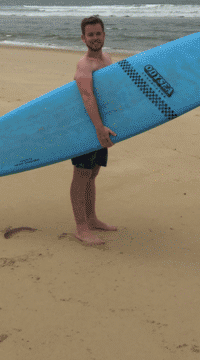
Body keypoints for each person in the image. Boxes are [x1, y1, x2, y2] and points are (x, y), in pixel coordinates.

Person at [71, 15, 118, 245]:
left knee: (93, 174)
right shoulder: (84, 65)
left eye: (98, 33)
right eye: (90, 35)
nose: (95, 38)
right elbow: (87, 96)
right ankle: (81, 228)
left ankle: (92, 219)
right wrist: (99, 129)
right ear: (83, 38)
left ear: (104, 35)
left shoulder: (108, 59)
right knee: (81, 175)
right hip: (85, 127)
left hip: (102, 124)